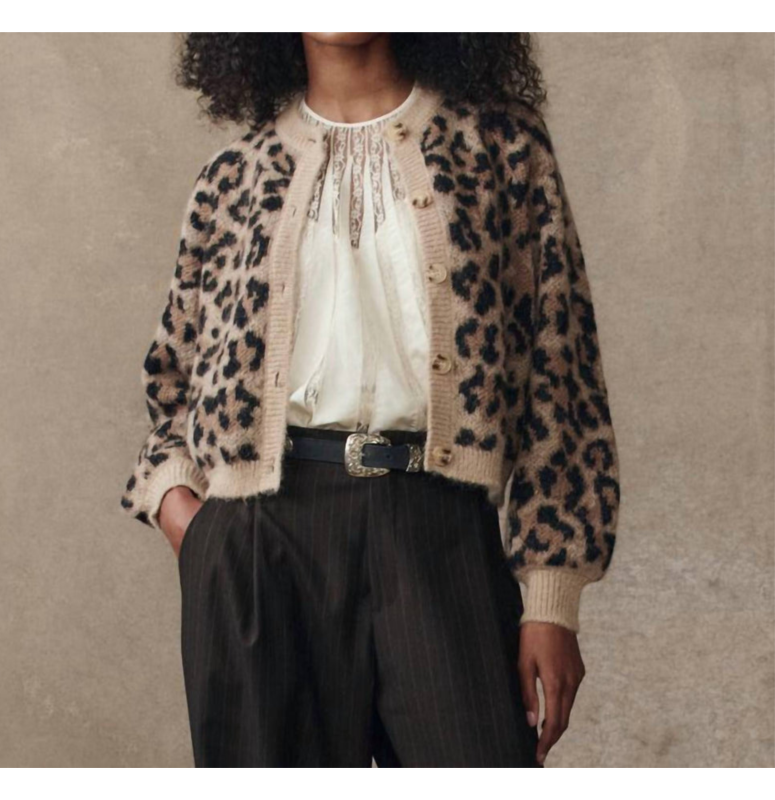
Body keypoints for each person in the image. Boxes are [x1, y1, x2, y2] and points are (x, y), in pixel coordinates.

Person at [119, 32, 621, 768]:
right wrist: (185, 520)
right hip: (261, 545)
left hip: (437, 527)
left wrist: (552, 597)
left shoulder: (503, 152)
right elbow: (172, 382)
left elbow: (563, 383)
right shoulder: (233, 177)